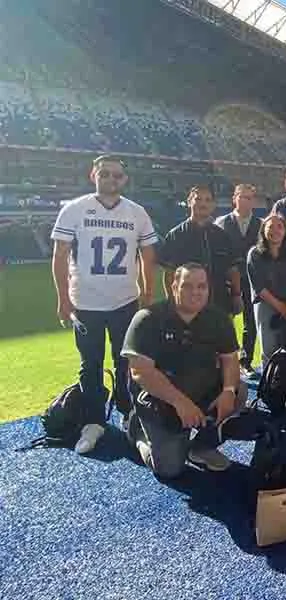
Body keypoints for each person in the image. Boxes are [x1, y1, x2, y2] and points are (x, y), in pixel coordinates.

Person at [51, 155, 158, 454]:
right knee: (90, 364)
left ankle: (129, 415)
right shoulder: (74, 210)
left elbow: (147, 256)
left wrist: (147, 294)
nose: (111, 180)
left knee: (125, 360)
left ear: (125, 180)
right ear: (93, 175)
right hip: (85, 303)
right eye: (105, 174)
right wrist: (62, 299)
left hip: (124, 301)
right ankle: (94, 421)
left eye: (117, 175)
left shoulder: (136, 212)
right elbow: (59, 257)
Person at [122, 263, 249, 478]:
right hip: (161, 398)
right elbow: (140, 372)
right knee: (169, 469)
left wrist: (228, 391)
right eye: (188, 286)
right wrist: (180, 403)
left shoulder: (218, 318)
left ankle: (200, 447)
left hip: (199, 390)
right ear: (174, 288)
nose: (196, 293)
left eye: (202, 287)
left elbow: (230, 359)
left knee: (239, 392)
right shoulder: (148, 318)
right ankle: (137, 432)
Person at [158, 185, 241, 316]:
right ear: (189, 202)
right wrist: (172, 300)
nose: (203, 203)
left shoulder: (223, 236)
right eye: (198, 199)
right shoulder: (175, 235)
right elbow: (169, 273)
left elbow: (233, 270)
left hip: (219, 304)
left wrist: (236, 296)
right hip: (187, 306)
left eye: (208, 200)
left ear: (213, 205)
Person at [215, 184, 262, 377]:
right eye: (242, 197)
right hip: (226, 279)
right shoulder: (221, 222)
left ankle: (246, 360)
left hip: (251, 279)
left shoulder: (261, 224)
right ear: (234, 198)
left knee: (250, 322)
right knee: (224, 321)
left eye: (249, 198)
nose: (245, 201)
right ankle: (224, 359)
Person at [247, 215, 286, 365]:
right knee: (269, 349)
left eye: (279, 226)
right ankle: (269, 384)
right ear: (263, 231)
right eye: (270, 227)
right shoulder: (255, 254)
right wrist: (282, 308)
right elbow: (259, 288)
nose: (275, 230)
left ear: (285, 231)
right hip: (267, 303)